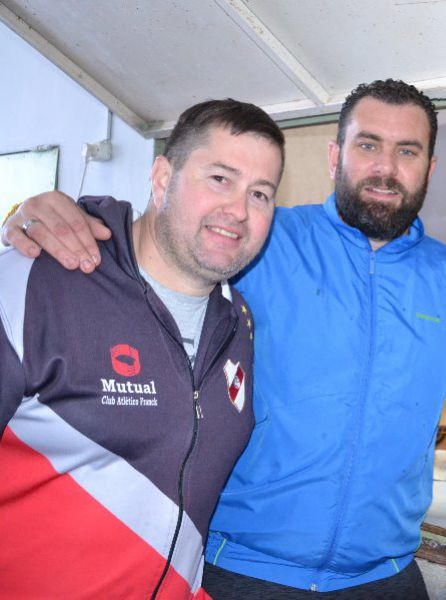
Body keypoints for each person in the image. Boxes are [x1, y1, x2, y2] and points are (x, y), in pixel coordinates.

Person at [2, 80, 446, 599]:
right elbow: (160, 242)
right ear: (335, 155)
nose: (386, 167)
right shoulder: (261, 240)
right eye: (367, 145)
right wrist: (52, 213)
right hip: (238, 571)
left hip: (384, 578)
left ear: (430, 167)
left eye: (408, 151)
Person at [0, 99, 285, 598]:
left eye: (259, 194)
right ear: (161, 178)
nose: (239, 210)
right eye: (220, 178)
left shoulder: (237, 320)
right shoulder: (34, 281)